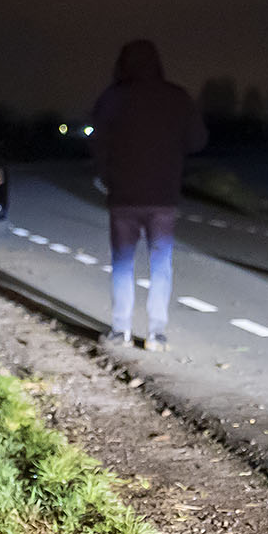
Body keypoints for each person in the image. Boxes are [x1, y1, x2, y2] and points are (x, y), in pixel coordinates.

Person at [90, 39, 207, 350]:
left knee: (123, 264)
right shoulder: (176, 97)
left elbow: (96, 143)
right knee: (161, 264)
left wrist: (108, 175)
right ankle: (156, 333)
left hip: (124, 197)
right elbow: (197, 140)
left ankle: (120, 330)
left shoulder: (112, 97)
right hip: (163, 196)